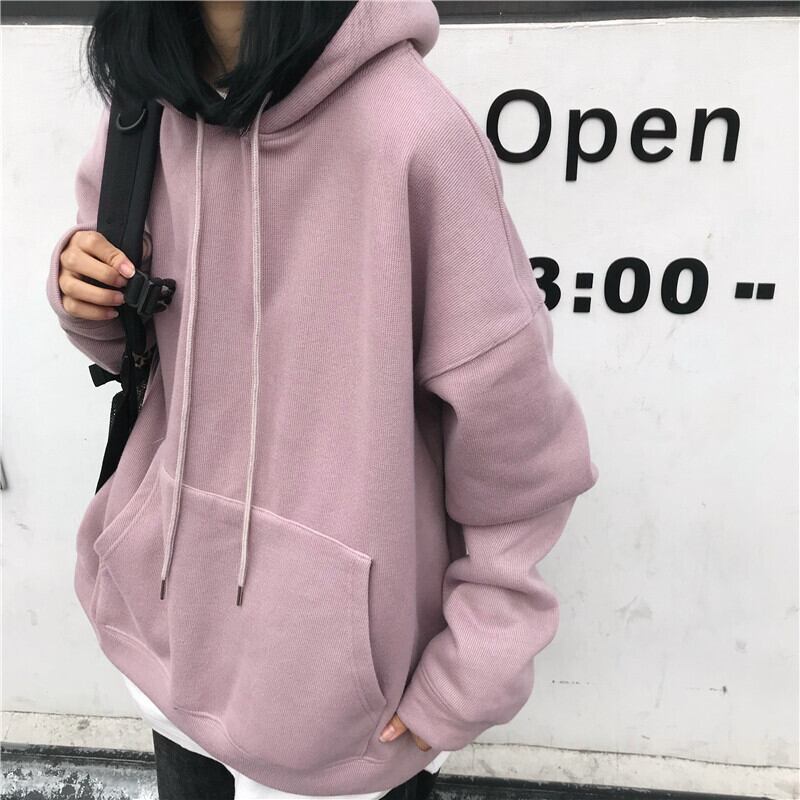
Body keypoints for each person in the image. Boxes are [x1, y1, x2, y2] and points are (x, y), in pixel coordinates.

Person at [45, 0, 599, 798]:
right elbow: (141, 348)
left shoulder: (414, 134)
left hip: (345, 723)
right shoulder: (143, 108)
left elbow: (515, 438)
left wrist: (472, 666)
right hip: (165, 652)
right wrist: (86, 293)